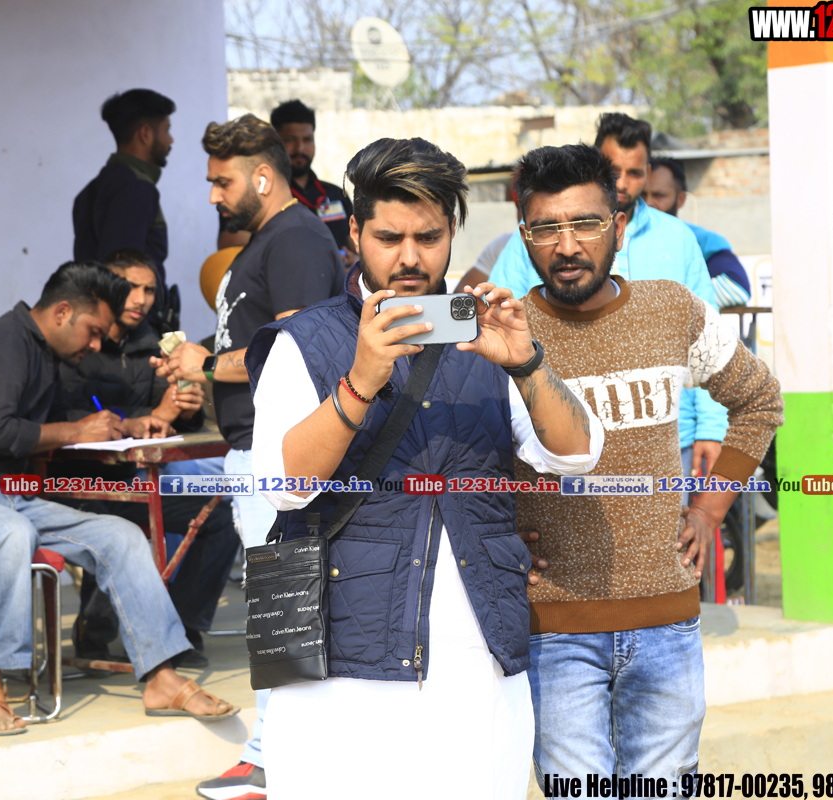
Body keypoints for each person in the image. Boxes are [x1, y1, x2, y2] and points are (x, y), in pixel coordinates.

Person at [243, 137, 605, 800]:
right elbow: (283, 488)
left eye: (429, 237)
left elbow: (578, 453)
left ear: (453, 233)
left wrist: (525, 363)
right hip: (339, 678)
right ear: (354, 233)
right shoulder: (304, 343)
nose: (410, 257)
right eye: (389, 237)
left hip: (477, 677)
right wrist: (359, 380)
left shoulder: (489, 335)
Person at [508, 143, 783, 783]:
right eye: (546, 229)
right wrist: (499, 535)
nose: (566, 246)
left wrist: (709, 510)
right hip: (553, 630)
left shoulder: (670, 310)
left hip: (667, 623)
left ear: (619, 225)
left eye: (585, 223)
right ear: (525, 236)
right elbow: (465, 457)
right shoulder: (507, 335)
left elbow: (760, 399)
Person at [0, 262, 237, 735]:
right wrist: (75, 430)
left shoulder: (47, 354)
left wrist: (128, 424)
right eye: (94, 331)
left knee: (121, 536)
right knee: (12, 533)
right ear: (62, 312)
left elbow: (63, 417)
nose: (97, 344)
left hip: (14, 499)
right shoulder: (8, 339)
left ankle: (162, 677)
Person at [161, 114, 343, 800]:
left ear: (262, 177)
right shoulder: (270, 241)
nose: (213, 195)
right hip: (255, 454)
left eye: (222, 181)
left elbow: (298, 351)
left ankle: (271, 763)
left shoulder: (295, 238)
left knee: (283, 609)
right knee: (280, 609)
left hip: (280, 457)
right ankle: (275, 758)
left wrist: (208, 364)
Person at [490, 113, 727, 483]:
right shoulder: (532, 244)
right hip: (552, 444)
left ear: (617, 231)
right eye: (616, 172)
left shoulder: (678, 238)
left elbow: (707, 346)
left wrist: (711, 429)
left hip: (667, 438)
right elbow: (499, 331)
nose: (624, 183)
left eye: (635, 173)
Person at [52, 248, 239, 669]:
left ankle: (183, 627)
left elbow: (167, 414)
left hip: (133, 478)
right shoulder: (76, 342)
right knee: (120, 527)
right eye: (131, 288)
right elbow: (66, 413)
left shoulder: (152, 342)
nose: (141, 299)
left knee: (220, 517)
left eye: (150, 290)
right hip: (74, 483)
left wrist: (186, 407)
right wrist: (148, 416)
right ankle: (95, 628)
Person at [73, 88, 178, 330]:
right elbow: (123, 274)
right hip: (129, 334)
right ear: (145, 134)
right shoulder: (135, 189)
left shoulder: (93, 188)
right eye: (166, 130)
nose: (170, 140)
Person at [217, 99, 355, 265]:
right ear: (275, 143)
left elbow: (358, 245)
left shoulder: (335, 194)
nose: (300, 148)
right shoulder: (257, 193)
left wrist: (355, 262)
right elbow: (230, 246)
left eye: (307, 139)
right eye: (290, 139)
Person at [643, 156, 752, 308]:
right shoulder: (620, 236)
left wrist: (670, 307)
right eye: (642, 195)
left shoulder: (700, 241)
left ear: (680, 199)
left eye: (659, 196)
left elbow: (736, 288)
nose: (648, 203)